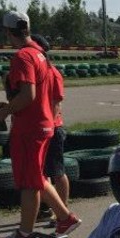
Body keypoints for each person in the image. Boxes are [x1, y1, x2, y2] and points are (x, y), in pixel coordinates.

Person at [0, 10, 80, 238]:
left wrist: (5, 112)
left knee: (28, 183)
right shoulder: (41, 55)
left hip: (29, 128)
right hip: (44, 124)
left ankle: (25, 233)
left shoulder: (23, 57)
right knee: (36, 178)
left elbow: (28, 95)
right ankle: (64, 217)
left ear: (8, 32)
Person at [30, 34, 69, 227]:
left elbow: (55, 103)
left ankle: (62, 212)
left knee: (57, 172)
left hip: (52, 128)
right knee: (40, 174)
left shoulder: (52, 73)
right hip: (40, 129)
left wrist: (49, 128)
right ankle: (44, 210)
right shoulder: (39, 72)